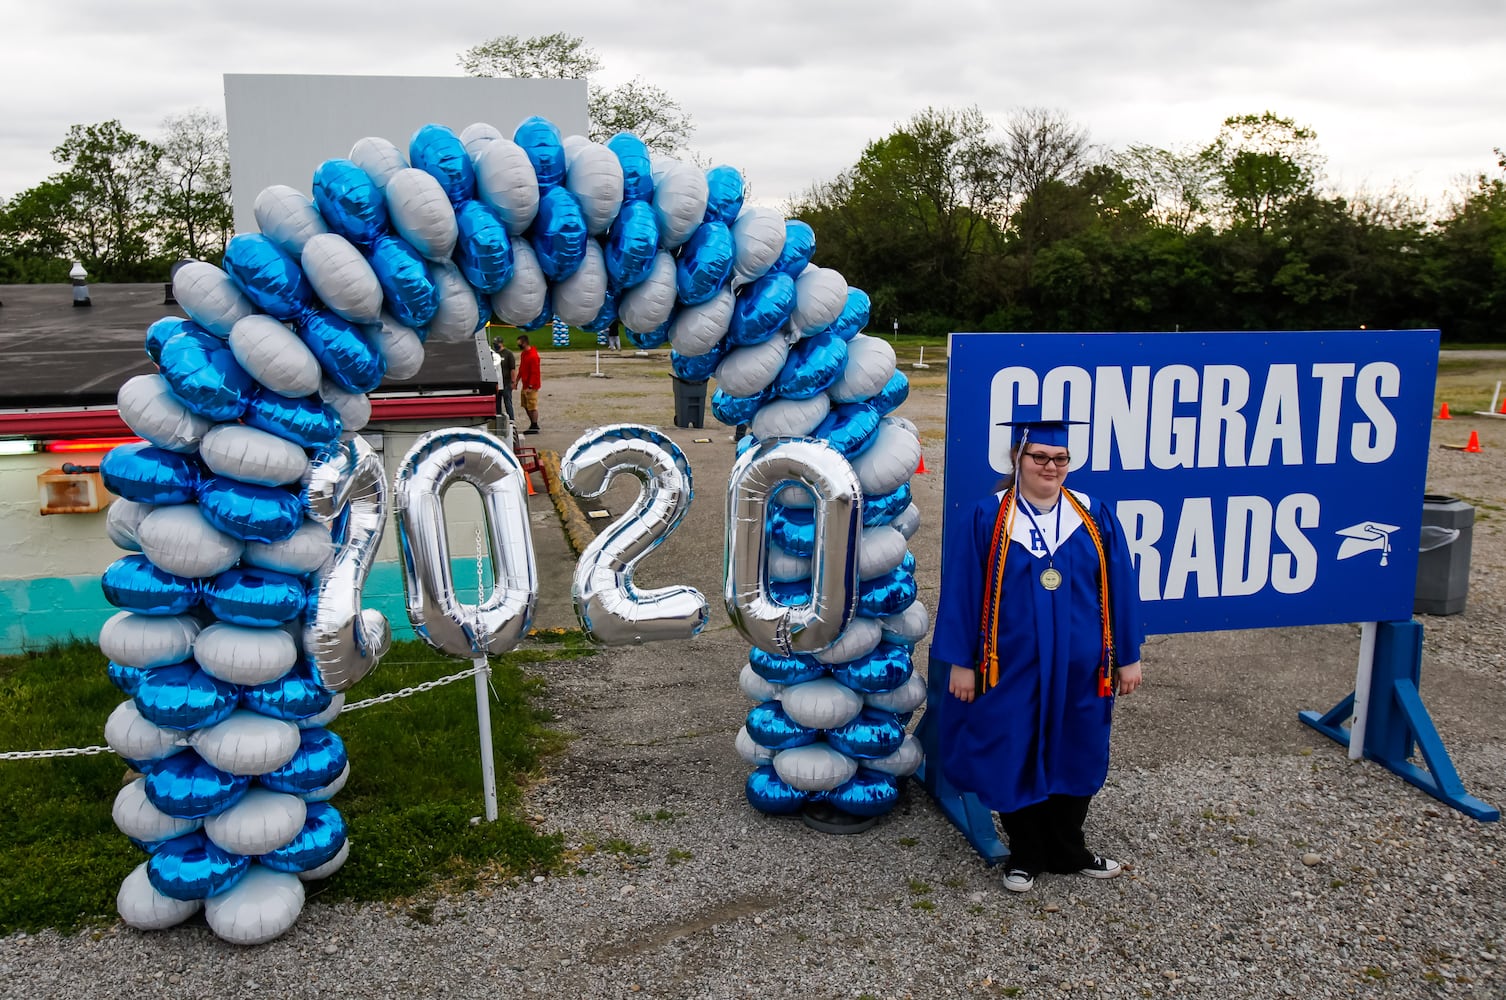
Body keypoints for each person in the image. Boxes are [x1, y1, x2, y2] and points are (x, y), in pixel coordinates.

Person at [930, 411, 1144, 894]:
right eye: (1040, 457)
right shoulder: (990, 517)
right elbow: (962, 592)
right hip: (1012, 667)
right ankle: (1025, 852)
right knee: (1012, 749)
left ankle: (1068, 849)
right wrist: (962, 664)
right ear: (1018, 458)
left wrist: (1127, 655)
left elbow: (1119, 589)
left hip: (1081, 668)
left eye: (1060, 458)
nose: (1051, 467)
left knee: (1080, 748)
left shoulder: (1092, 515)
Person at [514, 333, 542, 434]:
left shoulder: (533, 356)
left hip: (532, 386)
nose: (519, 346)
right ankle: (533, 424)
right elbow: (521, 369)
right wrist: (516, 381)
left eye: (520, 344)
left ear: (525, 343)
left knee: (532, 405)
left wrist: (530, 386)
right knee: (525, 405)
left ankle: (534, 425)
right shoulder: (524, 354)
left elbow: (535, 373)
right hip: (525, 384)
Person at [491, 336, 516, 438]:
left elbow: (512, 368)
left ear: (501, 343)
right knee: (497, 402)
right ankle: (498, 420)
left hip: (506, 382)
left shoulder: (508, 354)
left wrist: (513, 381)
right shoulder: (494, 354)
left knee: (507, 401)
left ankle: (511, 420)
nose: (495, 345)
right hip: (497, 383)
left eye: (497, 343)